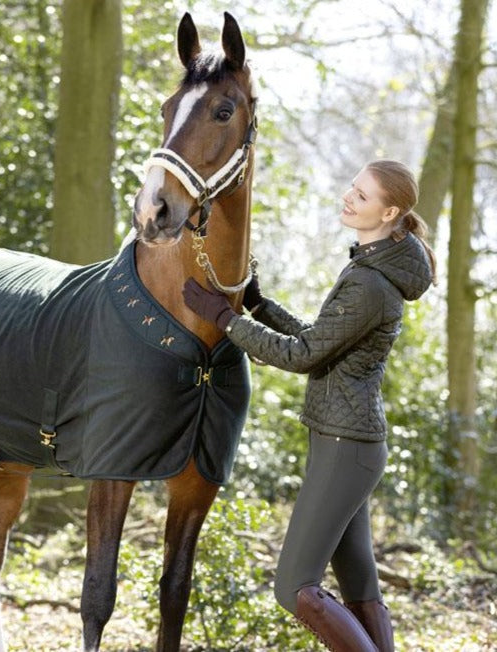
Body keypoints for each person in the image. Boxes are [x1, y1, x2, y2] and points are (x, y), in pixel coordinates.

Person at [182, 159, 436, 652]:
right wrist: (258, 306)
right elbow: (321, 342)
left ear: (390, 213)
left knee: (294, 588)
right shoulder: (370, 269)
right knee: (361, 589)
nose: (348, 196)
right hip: (347, 445)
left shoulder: (370, 283)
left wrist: (223, 318)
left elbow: (302, 357)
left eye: (361, 196)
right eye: (353, 187)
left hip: (347, 449)